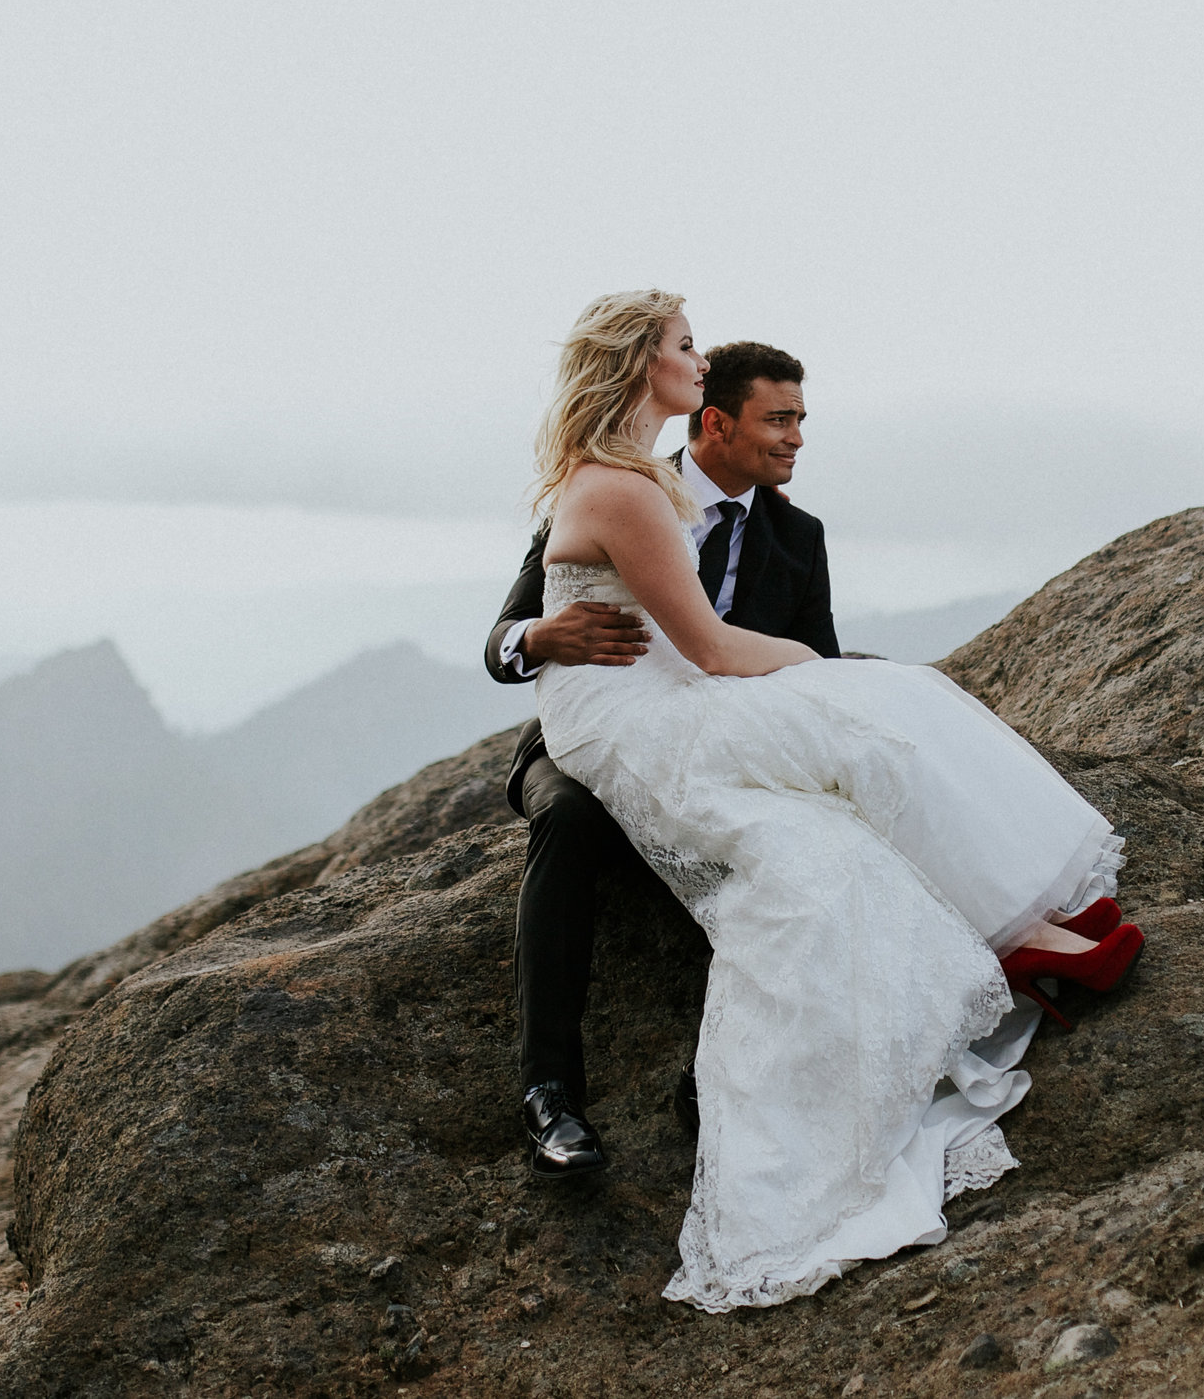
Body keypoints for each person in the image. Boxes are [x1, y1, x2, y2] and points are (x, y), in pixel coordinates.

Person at [526, 289, 1143, 1311]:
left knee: (824, 856)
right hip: (627, 709)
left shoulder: (665, 489)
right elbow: (710, 647)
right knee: (885, 708)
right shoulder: (627, 488)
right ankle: (1019, 930)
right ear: (645, 366)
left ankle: (1017, 940)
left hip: (675, 689)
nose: (699, 355)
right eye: (685, 344)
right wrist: (823, 672)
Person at [484, 341, 839, 1179]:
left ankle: (718, 1074)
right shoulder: (614, 485)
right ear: (716, 422)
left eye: (800, 419)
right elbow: (500, 642)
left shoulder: (799, 536)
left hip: (719, 742)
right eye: (779, 419)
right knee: (570, 819)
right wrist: (544, 635)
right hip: (592, 739)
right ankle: (548, 1094)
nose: (796, 438)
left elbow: (816, 663)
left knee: (785, 834)